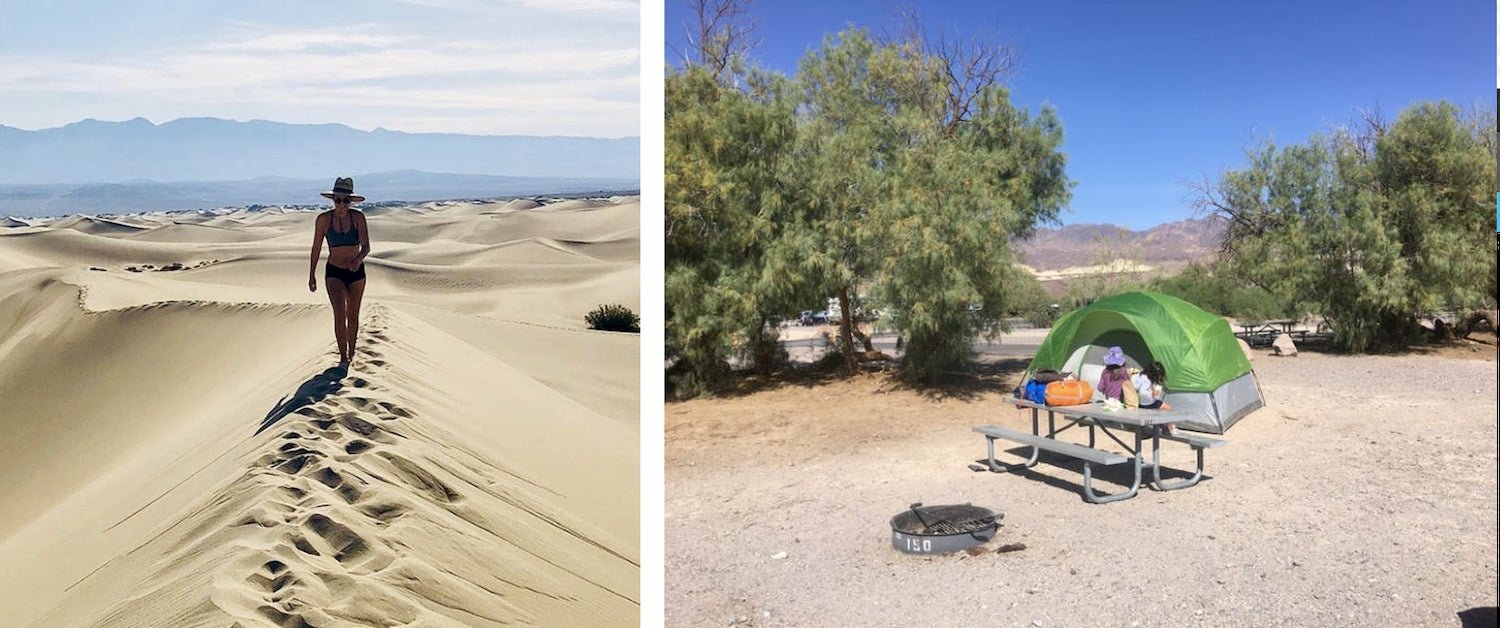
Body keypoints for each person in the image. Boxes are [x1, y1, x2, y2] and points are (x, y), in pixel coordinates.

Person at [308, 177, 371, 366]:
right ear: (333, 200)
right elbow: (316, 248)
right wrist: (311, 275)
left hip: (356, 272)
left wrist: (358, 259)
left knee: (353, 315)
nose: (342, 204)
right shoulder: (323, 220)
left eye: (346, 200)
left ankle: (352, 352)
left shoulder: (358, 218)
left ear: (350, 201)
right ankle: (343, 357)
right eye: (338, 200)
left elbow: (366, 246)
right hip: (334, 271)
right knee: (339, 312)